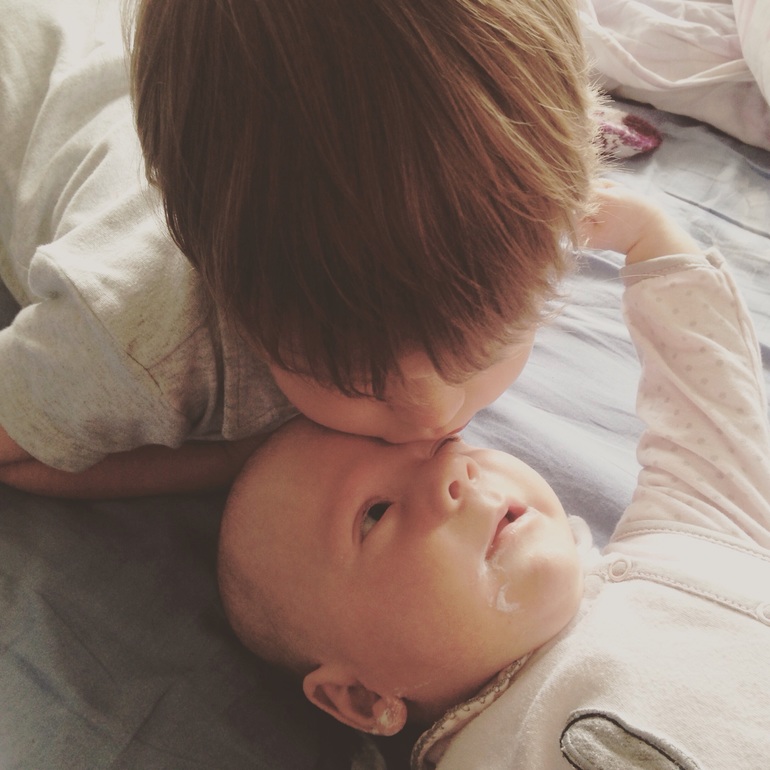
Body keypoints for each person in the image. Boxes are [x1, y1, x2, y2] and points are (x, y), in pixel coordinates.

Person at [218, 185, 770, 768]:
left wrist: (648, 236)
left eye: (446, 449)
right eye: (375, 514)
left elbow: (710, 413)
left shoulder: (690, 536)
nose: (456, 475)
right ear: (362, 697)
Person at [0, 0, 598, 498]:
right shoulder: (132, 343)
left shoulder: (535, 203)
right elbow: (13, 453)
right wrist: (232, 460)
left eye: (489, 342)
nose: (434, 415)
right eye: (358, 381)